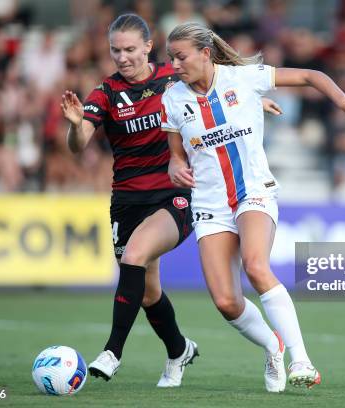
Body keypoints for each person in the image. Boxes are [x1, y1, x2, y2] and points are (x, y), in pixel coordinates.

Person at [60, 14, 281, 388]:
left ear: (148, 46)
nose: (122, 57)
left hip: (174, 193)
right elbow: (78, 145)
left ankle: (112, 352)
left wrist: (253, 105)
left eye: (130, 49)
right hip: (127, 201)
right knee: (147, 292)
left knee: (133, 255)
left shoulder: (173, 76)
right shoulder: (107, 92)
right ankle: (179, 350)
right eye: (115, 50)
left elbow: (216, 92)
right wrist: (74, 124)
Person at [162, 22, 345, 392]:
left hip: (253, 192)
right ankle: (272, 346)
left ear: (205, 53)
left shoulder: (243, 78)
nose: (174, 65)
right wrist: (176, 167)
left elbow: (311, 74)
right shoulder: (172, 98)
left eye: (180, 57)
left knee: (256, 266)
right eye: (171, 58)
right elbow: (175, 156)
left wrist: (343, 102)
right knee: (227, 302)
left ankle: (301, 360)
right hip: (211, 203)